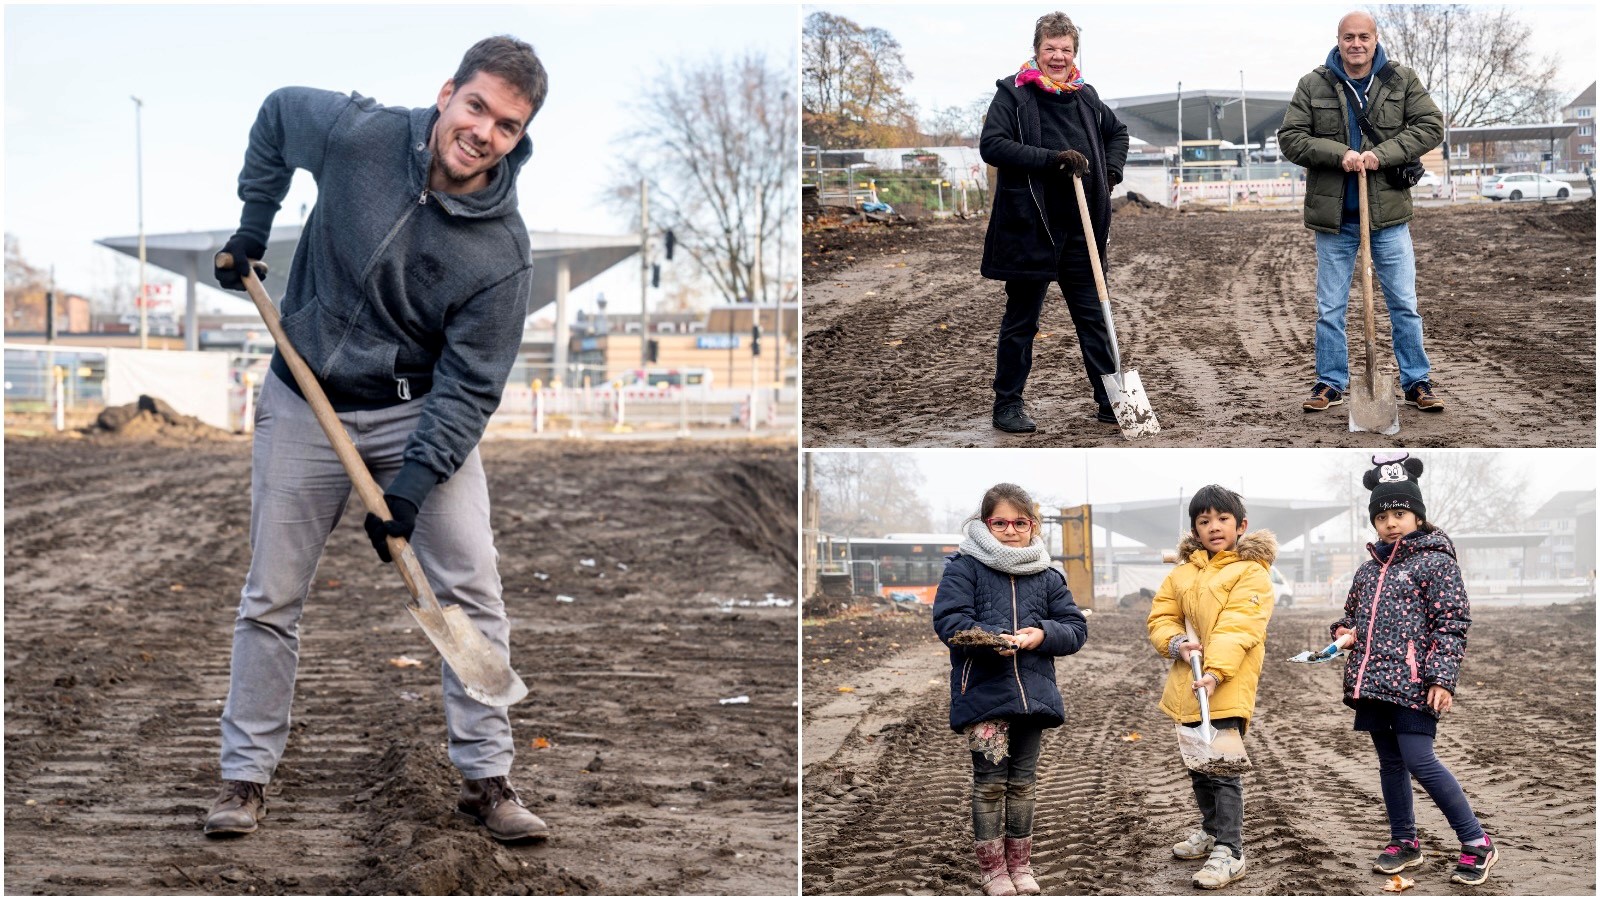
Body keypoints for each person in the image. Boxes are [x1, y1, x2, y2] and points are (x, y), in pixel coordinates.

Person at [204, 36, 550, 842]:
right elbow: (278, 112)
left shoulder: (501, 251)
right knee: (272, 596)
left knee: (470, 590)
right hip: (303, 399)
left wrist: (411, 487)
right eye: (476, 107)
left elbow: (471, 386)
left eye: (506, 125)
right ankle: (244, 779)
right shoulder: (359, 137)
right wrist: (254, 224)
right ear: (446, 95)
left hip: (417, 412)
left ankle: (490, 780)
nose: (483, 133)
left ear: (519, 137)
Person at [1331, 453, 1496, 886]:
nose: (1390, 522)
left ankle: (1477, 841)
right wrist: (1344, 633)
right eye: (1382, 515)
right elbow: (1350, 616)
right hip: (1373, 682)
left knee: (1420, 760)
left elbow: (1452, 623)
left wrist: (1442, 678)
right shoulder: (1367, 570)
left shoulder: (1436, 562)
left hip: (1415, 683)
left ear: (1418, 517)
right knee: (1390, 763)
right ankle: (1405, 841)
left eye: (1400, 513)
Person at [1277, 11, 1446, 415]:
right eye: (1349, 37)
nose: (1356, 44)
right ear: (1338, 39)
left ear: (1375, 39)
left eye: (1363, 37)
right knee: (1329, 308)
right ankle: (1329, 382)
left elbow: (1430, 125)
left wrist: (1379, 155)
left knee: (1404, 303)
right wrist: (1342, 155)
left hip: (1387, 218)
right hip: (1334, 221)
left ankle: (1416, 381)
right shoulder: (1313, 83)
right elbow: (1291, 138)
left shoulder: (1400, 80)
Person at [932, 483, 1088, 895]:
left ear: (1033, 525)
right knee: (988, 784)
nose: (1010, 529)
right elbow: (951, 621)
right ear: (985, 524)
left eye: (1020, 522)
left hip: (1032, 699)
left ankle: (1021, 867)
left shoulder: (1048, 574)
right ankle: (993, 871)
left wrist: (1042, 634)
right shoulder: (964, 567)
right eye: (999, 522)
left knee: (1022, 783)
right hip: (984, 697)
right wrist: (993, 638)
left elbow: (1075, 628)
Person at [978, 11, 1130, 434]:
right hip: (1032, 228)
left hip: (1082, 231)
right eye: (1051, 49)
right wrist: (1052, 159)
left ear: (1074, 52)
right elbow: (993, 145)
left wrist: (1109, 173)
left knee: (1094, 318)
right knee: (1022, 321)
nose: (1058, 56)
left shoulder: (1085, 95)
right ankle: (1007, 404)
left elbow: (1118, 134)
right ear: (1037, 51)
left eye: (1066, 49)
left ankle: (1111, 400)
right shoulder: (1014, 94)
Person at [1146, 486, 1276, 890]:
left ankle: (1231, 851)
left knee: (1222, 772)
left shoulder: (1251, 571)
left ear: (1241, 525)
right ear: (1194, 530)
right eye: (1204, 521)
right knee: (1199, 768)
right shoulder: (1182, 572)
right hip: (1189, 685)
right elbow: (1161, 616)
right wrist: (1175, 643)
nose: (1214, 527)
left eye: (1222, 519)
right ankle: (1210, 830)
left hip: (1224, 684)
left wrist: (1216, 672)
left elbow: (1238, 627)